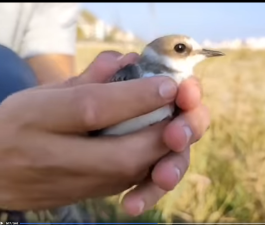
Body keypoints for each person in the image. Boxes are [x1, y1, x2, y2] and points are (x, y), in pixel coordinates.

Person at [0, 3, 210, 223]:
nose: (196, 53)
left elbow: (48, 63)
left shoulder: (175, 92)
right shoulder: (134, 73)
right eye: (181, 49)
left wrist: (57, 133)